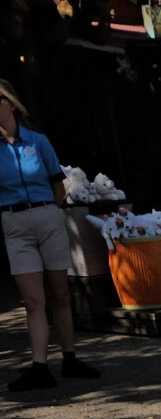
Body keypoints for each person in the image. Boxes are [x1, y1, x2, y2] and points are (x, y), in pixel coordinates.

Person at [0, 79, 99, 391]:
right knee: (32, 299)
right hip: (14, 223)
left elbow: (58, 182)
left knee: (59, 292)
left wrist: (52, 211)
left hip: (47, 215)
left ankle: (69, 358)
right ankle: (39, 366)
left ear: (11, 104)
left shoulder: (38, 141)